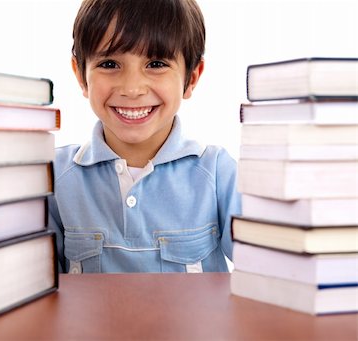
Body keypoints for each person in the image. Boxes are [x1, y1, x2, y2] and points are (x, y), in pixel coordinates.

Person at [48, 0, 241, 273]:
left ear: (192, 77)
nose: (132, 88)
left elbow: (273, 273)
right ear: (81, 75)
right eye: (110, 63)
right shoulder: (54, 176)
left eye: (156, 63)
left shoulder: (218, 172)